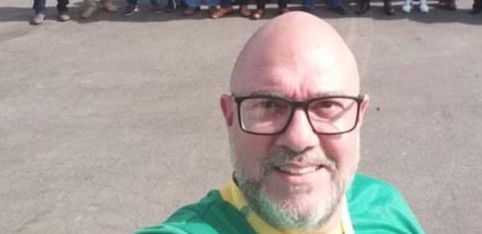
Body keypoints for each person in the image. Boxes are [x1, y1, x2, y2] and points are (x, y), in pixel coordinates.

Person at [135, 12, 425, 234]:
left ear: (359, 116)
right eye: (269, 105)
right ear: (230, 116)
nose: (299, 138)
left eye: (327, 105)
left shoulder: (386, 210)